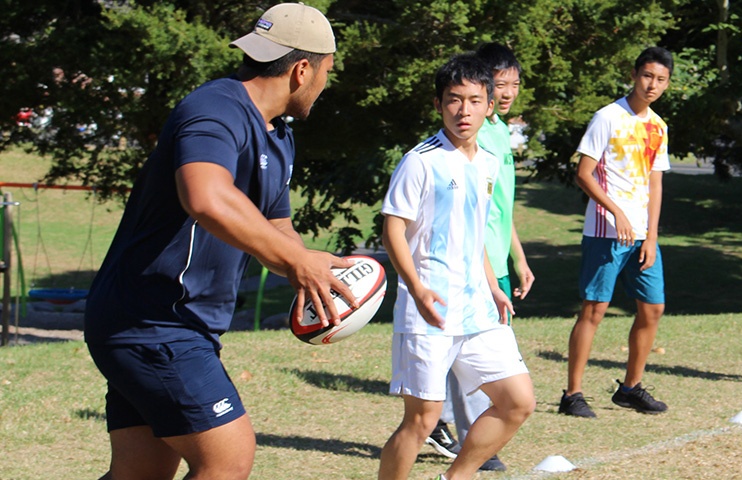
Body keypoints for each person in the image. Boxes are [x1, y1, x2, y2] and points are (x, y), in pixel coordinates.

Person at [82, 4, 349, 479]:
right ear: (302, 69)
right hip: (155, 321)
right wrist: (295, 260)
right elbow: (205, 196)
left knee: (140, 473)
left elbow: (276, 224)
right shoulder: (216, 108)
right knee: (227, 460)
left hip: (161, 321)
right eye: (328, 71)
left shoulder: (278, 135)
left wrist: (307, 266)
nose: (326, 85)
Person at [376, 53, 535, 480]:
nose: (463, 110)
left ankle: (456, 476)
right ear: (438, 104)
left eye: (473, 100)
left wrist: (492, 284)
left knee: (517, 401)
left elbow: (476, 230)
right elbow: (393, 231)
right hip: (430, 310)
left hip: (478, 308)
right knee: (422, 421)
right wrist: (417, 287)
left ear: (489, 104)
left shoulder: (486, 161)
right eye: (453, 99)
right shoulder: (420, 161)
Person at [425, 42, 533, 473]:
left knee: (481, 353)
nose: (506, 94)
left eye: (513, 85)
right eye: (499, 85)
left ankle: (447, 428)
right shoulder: (469, 132)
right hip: (465, 262)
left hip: (494, 260)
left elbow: (499, 207)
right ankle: (457, 434)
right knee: (468, 352)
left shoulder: (501, 132)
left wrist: (518, 257)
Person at [558, 46, 673, 418]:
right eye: (647, 76)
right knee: (594, 309)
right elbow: (584, 173)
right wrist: (616, 212)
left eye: (660, 79)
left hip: (641, 235)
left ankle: (630, 388)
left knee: (653, 308)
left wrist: (652, 236)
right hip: (605, 232)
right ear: (635, 74)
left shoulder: (659, 126)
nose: (652, 85)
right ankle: (572, 394)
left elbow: (655, 185)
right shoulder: (607, 117)